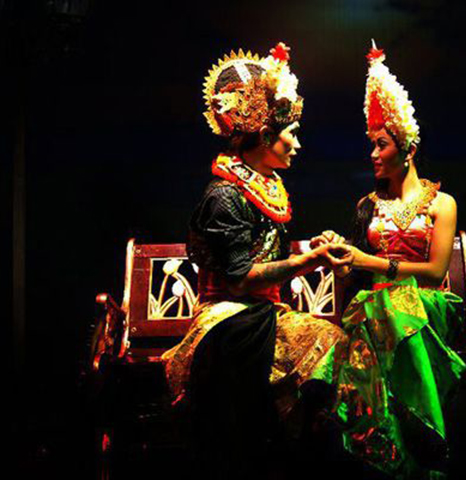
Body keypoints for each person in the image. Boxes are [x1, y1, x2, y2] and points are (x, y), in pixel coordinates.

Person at [161, 43, 348, 480]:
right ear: (265, 136)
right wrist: (308, 262)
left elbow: (269, 256)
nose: (298, 143)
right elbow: (240, 279)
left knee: (334, 349)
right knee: (326, 344)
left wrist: (314, 248)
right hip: (227, 317)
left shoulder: (266, 184)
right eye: (292, 133)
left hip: (265, 312)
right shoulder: (224, 195)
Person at [316, 42, 466, 479]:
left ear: (407, 148)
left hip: (426, 309)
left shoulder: (441, 204)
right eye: (372, 145)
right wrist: (339, 253)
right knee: (377, 310)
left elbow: (435, 273)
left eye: (381, 144)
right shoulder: (367, 205)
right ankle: (387, 452)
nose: (372, 154)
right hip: (377, 309)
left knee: (391, 310)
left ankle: (419, 447)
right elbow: (353, 270)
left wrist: (372, 262)